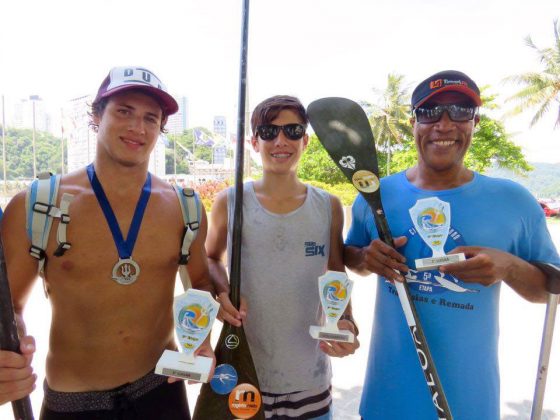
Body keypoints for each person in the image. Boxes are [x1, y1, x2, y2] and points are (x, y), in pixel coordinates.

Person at [0, 66, 214, 419]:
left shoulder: (184, 207)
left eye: (150, 118)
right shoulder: (38, 205)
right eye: (124, 111)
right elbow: (9, 308)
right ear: (96, 116)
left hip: (162, 390)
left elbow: (201, 283)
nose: (137, 127)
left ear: (160, 129)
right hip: (73, 402)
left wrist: (200, 337)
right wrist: (10, 350)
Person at [344, 70, 560, 419]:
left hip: (469, 404)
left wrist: (507, 266)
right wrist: (367, 258)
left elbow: (550, 290)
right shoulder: (375, 194)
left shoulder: (513, 201)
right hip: (386, 400)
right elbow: (350, 257)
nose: (443, 125)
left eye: (459, 111)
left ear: (475, 122)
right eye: (430, 113)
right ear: (413, 123)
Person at [206, 95, 360, 419]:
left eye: (292, 131)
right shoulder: (229, 202)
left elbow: (336, 272)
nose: (280, 141)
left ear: (305, 141)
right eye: (268, 131)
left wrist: (346, 319)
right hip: (244, 373)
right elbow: (210, 258)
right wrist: (222, 292)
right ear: (254, 141)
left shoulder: (328, 206)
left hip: (310, 377)